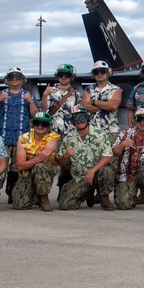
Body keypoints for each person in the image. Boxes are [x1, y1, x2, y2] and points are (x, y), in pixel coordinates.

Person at [0, 67, 38, 201]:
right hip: (2, 137)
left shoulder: (28, 95)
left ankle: (13, 193)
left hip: (21, 139)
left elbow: (35, 115)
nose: (14, 79)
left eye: (17, 77)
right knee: (0, 167)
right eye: (12, 77)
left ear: (22, 79)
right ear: (7, 80)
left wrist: (31, 102)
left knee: (18, 168)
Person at [57, 106, 116, 211]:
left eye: (83, 118)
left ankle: (104, 198)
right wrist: (65, 156)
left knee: (107, 171)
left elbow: (108, 156)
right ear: (73, 121)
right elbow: (60, 163)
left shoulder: (100, 135)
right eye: (76, 118)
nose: (80, 121)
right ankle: (87, 194)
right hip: (80, 177)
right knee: (65, 205)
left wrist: (92, 171)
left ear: (87, 119)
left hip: (97, 174)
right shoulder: (68, 138)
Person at [43, 63, 82, 196]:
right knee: (48, 162)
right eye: (61, 75)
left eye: (67, 75)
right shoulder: (50, 92)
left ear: (71, 77)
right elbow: (43, 110)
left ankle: (64, 192)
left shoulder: (76, 94)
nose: (64, 77)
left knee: (68, 164)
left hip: (70, 133)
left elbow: (79, 113)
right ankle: (41, 194)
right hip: (53, 134)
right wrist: (44, 95)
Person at [111, 107, 144, 212]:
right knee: (124, 205)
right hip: (126, 174)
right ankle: (134, 195)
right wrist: (123, 145)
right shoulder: (125, 133)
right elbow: (115, 152)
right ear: (134, 121)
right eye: (139, 119)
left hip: (142, 174)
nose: (142, 122)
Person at [12, 111, 59, 211]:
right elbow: (20, 166)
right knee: (19, 205)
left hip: (45, 171)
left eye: (44, 124)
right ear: (33, 124)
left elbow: (45, 159)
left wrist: (33, 161)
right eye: (37, 123)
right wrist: (37, 158)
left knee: (40, 166)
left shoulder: (53, 137)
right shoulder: (23, 138)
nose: (40, 126)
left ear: (49, 126)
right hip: (27, 173)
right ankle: (34, 195)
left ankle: (43, 197)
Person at [82, 60, 122, 137]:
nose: (99, 74)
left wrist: (94, 102)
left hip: (111, 131)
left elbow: (113, 106)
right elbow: (85, 109)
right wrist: (106, 105)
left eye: (102, 71)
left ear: (108, 73)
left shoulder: (116, 89)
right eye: (97, 72)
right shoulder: (88, 90)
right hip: (92, 131)